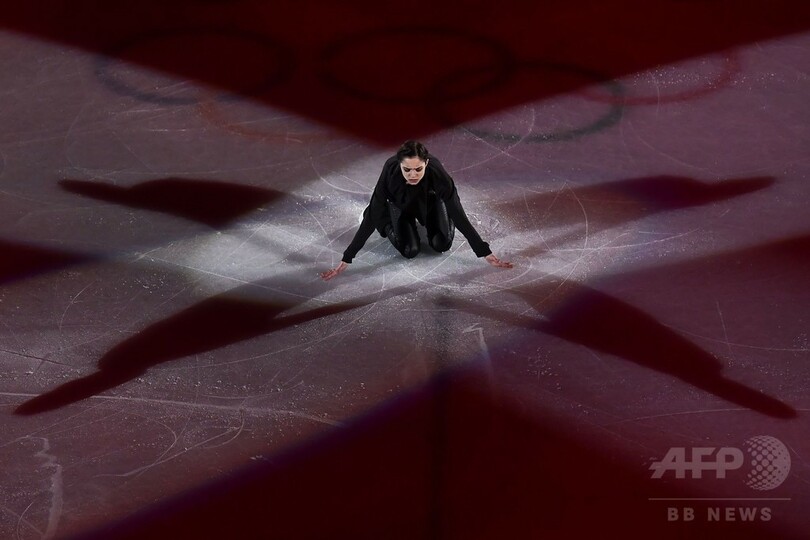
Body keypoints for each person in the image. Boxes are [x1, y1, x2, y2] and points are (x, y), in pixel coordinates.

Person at [320, 140, 512, 281]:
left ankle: (438, 218)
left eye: (418, 169)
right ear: (400, 164)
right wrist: (348, 257)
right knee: (410, 250)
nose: (413, 175)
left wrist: (484, 252)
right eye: (407, 170)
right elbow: (372, 215)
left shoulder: (437, 173)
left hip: (430, 204)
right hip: (400, 206)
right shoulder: (390, 170)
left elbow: (458, 214)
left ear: (426, 163)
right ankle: (388, 221)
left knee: (442, 244)